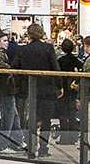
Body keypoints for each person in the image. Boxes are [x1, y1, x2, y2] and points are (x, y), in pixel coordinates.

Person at [13, 24, 61, 155]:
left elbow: (14, 67)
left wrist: (20, 82)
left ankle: (31, 146)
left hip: (30, 89)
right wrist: (59, 85)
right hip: (47, 88)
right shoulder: (48, 48)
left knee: (31, 119)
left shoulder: (23, 50)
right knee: (46, 120)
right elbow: (55, 68)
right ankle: (44, 148)